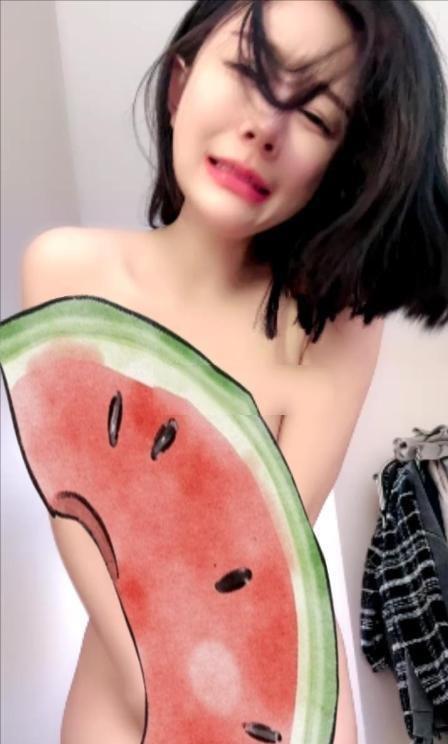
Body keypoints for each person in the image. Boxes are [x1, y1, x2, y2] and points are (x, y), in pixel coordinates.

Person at [19, 0, 448, 742]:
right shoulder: (64, 269)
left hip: (277, 683)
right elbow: (77, 513)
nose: (265, 127)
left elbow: (267, 551)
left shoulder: (337, 329)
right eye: (251, 71)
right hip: (117, 690)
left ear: (338, 168)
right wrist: (158, 690)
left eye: (316, 116)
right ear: (179, 85)